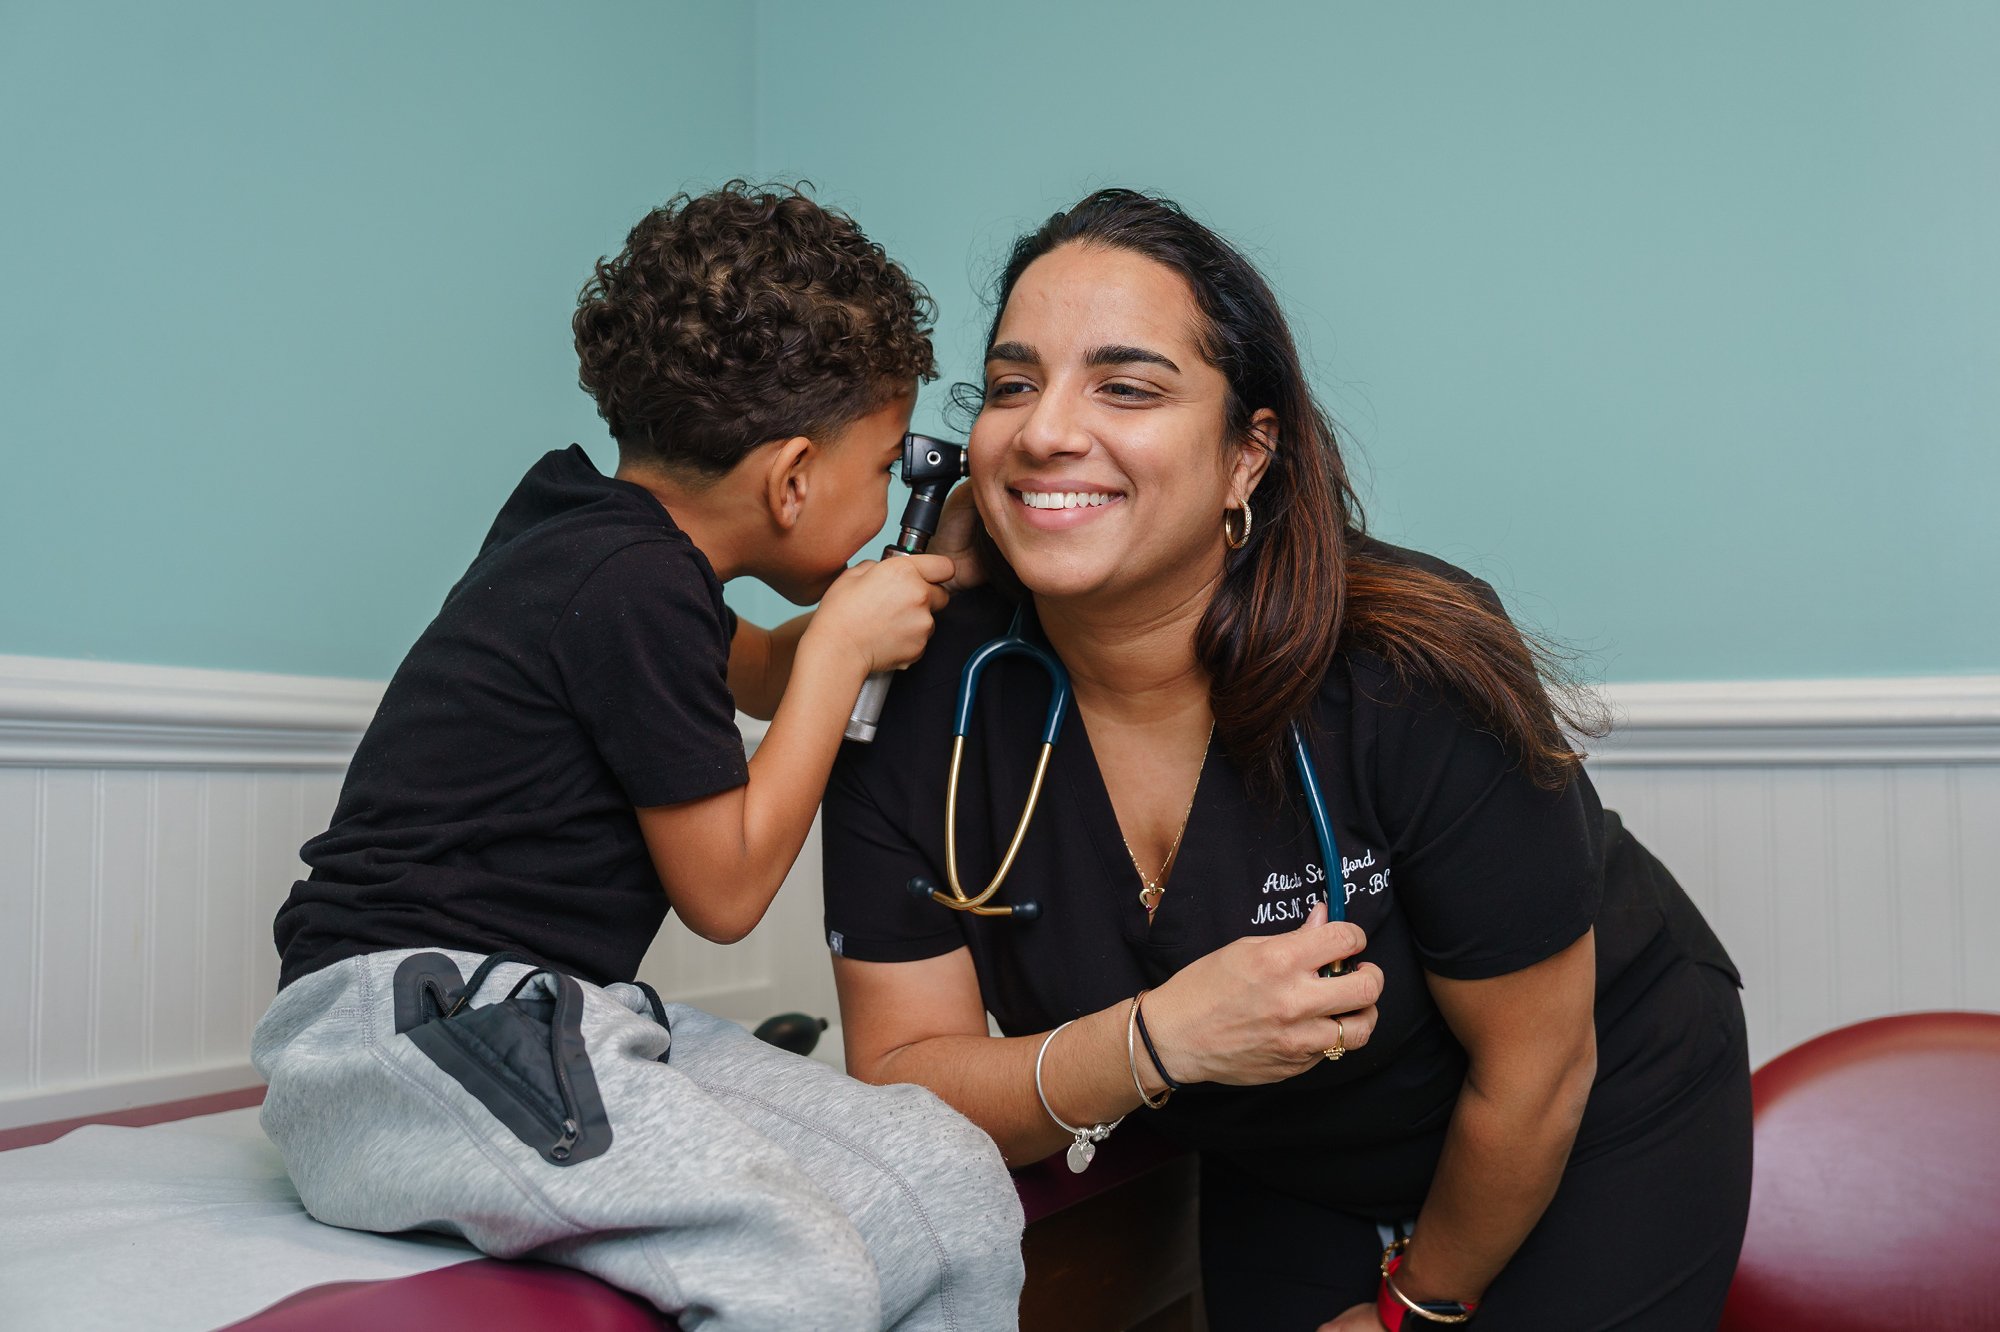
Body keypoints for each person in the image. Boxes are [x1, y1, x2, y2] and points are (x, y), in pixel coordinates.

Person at [822, 189, 1752, 1332]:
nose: (1045, 430)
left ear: (1245, 456)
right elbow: (906, 1076)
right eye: (1012, 385)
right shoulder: (912, 693)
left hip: (1589, 1106)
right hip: (1279, 1141)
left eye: (1125, 387)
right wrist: (1149, 1042)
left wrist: (1412, 1308)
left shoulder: (1409, 667)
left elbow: (1537, 1072)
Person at [254, 183, 1024, 1332]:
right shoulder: (631, 581)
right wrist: (840, 653)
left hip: (553, 1012)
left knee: (946, 1182)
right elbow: (726, 892)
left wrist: (925, 572)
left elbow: (762, 670)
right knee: (791, 1263)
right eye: (879, 472)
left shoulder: (613, 547)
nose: (881, 503)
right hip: (397, 1032)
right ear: (792, 478)